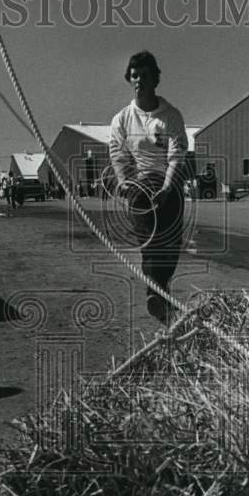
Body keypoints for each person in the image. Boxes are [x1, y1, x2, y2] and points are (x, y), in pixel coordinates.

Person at [109, 50, 194, 322]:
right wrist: (123, 181)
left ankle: (161, 288)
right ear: (129, 80)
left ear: (155, 79)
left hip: (169, 184)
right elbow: (118, 153)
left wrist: (168, 187)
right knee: (150, 243)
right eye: (134, 76)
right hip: (140, 185)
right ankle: (154, 295)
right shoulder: (122, 119)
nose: (139, 81)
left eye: (144, 75)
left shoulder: (171, 116)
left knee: (170, 245)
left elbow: (177, 153)